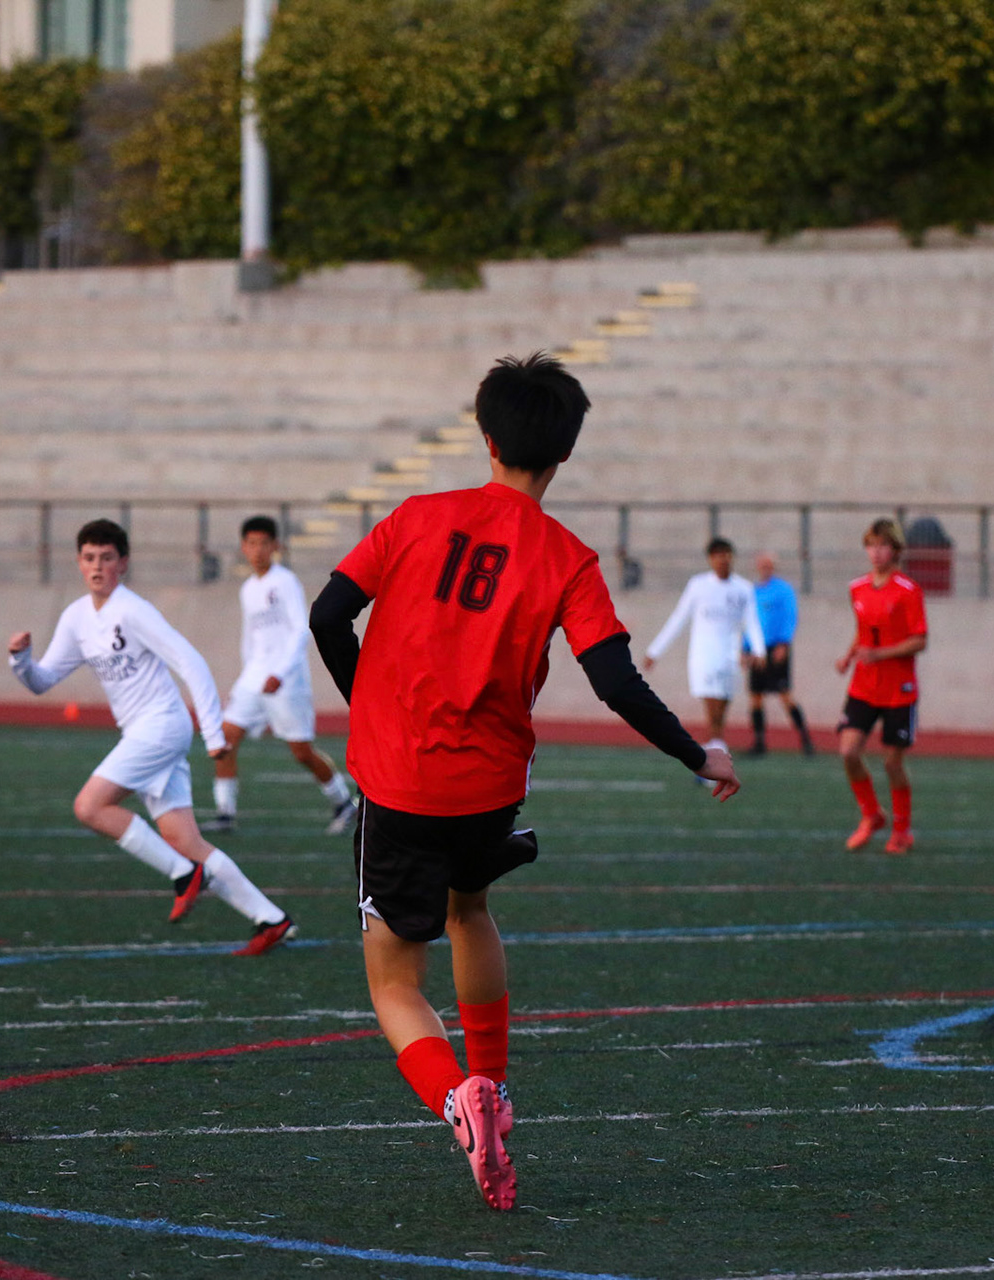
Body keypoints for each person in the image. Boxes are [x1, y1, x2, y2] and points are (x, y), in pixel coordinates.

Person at [310, 353, 741, 1212]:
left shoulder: (417, 516)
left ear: (486, 435)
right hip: (490, 787)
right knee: (470, 908)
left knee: (395, 983)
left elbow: (328, 615)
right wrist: (697, 756)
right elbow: (615, 682)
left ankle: (458, 1101)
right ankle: (497, 1087)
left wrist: (370, 705)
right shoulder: (568, 558)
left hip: (399, 783)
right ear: (565, 453)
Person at [8, 519, 295, 956]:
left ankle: (183, 875)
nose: (97, 566)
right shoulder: (76, 618)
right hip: (145, 731)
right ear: (79, 563)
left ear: (123, 563)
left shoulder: (132, 610)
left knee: (90, 806)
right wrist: (21, 661)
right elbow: (42, 681)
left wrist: (213, 732)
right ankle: (271, 918)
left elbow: (191, 662)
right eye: (89, 558)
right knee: (186, 841)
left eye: (107, 558)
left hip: (160, 725)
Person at [210, 515, 358, 835]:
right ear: (243, 547)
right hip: (254, 678)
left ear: (276, 546)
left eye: (264, 543)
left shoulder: (285, 582)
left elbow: (300, 630)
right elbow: (250, 636)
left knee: (301, 752)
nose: (258, 550)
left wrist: (279, 672)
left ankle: (343, 802)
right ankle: (225, 813)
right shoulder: (248, 588)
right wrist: (246, 676)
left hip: (286, 680)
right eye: (252, 544)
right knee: (225, 737)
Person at [835, 519, 927, 855]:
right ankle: (872, 814)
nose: (876, 552)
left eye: (883, 545)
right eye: (871, 545)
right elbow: (863, 631)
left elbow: (920, 640)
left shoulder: (908, 590)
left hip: (898, 689)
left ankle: (902, 831)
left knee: (892, 763)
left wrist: (880, 654)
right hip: (864, 685)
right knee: (848, 752)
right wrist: (849, 657)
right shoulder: (857, 588)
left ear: (896, 550)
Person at [642, 538, 767, 759]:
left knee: (722, 706)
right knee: (712, 705)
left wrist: (759, 650)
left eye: (727, 555)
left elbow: (752, 621)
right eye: (718, 555)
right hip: (704, 656)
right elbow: (679, 618)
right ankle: (715, 752)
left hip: (731, 656)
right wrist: (655, 651)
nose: (723, 560)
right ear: (710, 559)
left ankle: (714, 750)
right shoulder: (698, 585)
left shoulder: (743, 588)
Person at [745, 551, 814, 756]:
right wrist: (745, 648)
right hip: (757, 650)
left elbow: (790, 617)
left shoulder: (784, 590)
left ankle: (805, 739)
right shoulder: (754, 591)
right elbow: (749, 622)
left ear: (774, 567)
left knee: (785, 695)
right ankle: (759, 742)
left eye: (768, 565)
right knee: (756, 696)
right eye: (762, 565)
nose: (765, 568)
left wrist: (784, 643)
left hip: (776, 647)